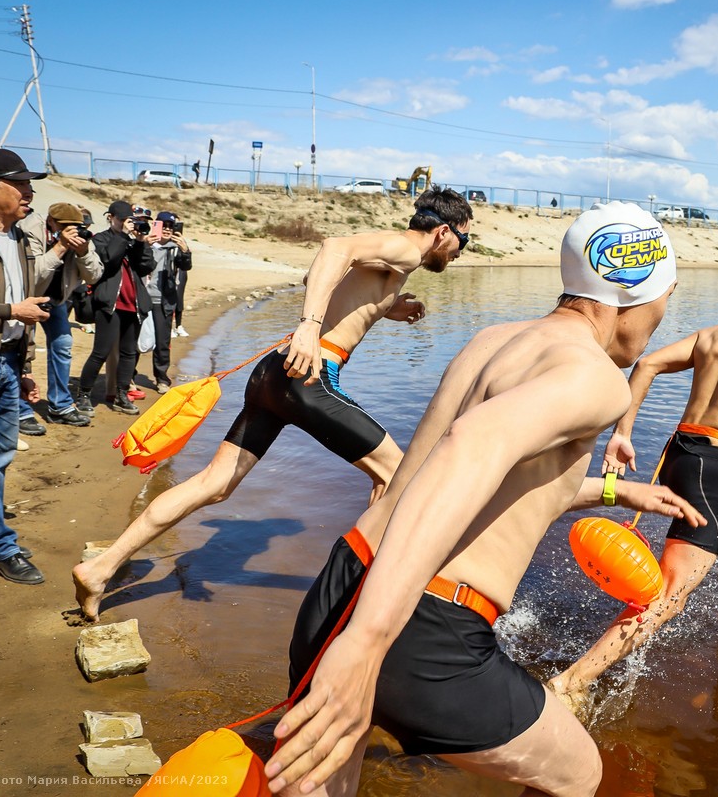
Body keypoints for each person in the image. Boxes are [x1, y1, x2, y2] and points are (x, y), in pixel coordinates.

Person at [264, 202, 703, 797]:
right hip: (417, 623)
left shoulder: (495, 339)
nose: (662, 318)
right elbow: (469, 448)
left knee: (322, 776)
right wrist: (368, 642)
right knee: (578, 773)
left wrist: (615, 491)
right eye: (665, 300)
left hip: (346, 577)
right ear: (633, 292)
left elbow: (475, 483)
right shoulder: (595, 376)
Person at [72, 187, 474, 622]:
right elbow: (334, 248)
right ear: (443, 232)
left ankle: (100, 568)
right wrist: (309, 326)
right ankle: (363, 604)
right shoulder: (405, 249)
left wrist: (389, 306)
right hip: (308, 375)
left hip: (274, 374)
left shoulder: (393, 262)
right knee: (397, 475)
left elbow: (319, 278)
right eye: (463, 243)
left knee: (216, 484)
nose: (460, 254)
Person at [547, 253, 718, 709]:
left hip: (679, 455)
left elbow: (647, 364)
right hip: (715, 468)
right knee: (668, 598)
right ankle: (570, 683)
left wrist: (622, 433)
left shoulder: (715, 333)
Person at [0, 149, 52, 585]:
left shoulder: (20, 238)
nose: (29, 192)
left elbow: (27, 311)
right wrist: (6, 312)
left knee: (0, 455)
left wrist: (22, 366)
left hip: (5, 362)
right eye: (19, 184)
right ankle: (1, 548)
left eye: (29, 184)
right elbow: (13, 309)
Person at [15, 202, 103, 433]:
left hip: (57, 301)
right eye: (65, 227)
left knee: (63, 346)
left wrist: (83, 251)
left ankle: (60, 406)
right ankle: (21, 410)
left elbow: (94, 275)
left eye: (75, 227)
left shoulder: (80, 235)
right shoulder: (31, 229)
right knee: (21, 351)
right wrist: (60, 247)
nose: (71, 231)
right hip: (26, 299)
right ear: (51, 222)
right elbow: (31, 275)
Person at [73, 200, 155, 416]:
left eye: (129, 220)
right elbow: (107, 261)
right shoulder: (101, 239)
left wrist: (139, 242)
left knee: (129, 353)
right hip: (110, 305)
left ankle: (122, 395)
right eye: (122, 220)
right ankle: (83, 395)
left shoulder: (133, 239)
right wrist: (122, 236)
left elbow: (146, 266)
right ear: (111, 218)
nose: (127, 224)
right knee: (100, 352)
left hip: (134, 305)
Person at [145, 210, 192, 392]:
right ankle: (129, 379)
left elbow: (185, 265)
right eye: (163, 225)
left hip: (164, 301)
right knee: (135, 342)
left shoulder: (175, 248)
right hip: (143, 299)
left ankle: (161, 379)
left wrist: (185, 250)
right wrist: (145, 246)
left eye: (171, 226)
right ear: (156, 225)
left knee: (162, 342)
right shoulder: (146, 244)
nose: (167, 230)